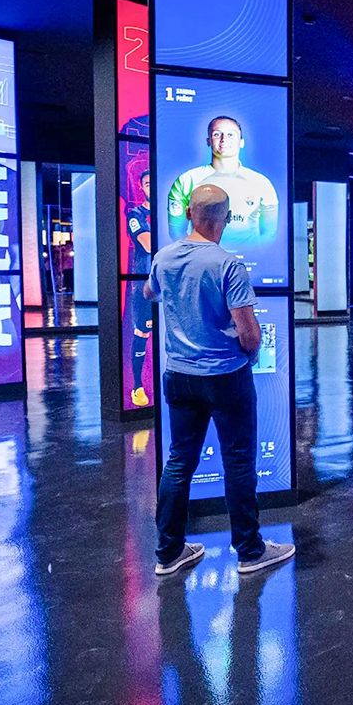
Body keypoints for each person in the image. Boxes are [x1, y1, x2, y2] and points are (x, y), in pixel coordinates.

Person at [146, 184, 294, 578]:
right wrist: (252, 349)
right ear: (225, 220)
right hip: (225, 377)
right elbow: (247, 332)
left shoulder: (164, 257)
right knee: (239, 463)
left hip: (179, 376)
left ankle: (168, 553)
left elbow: (150, 291)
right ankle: (249, 551)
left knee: (179, 462)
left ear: (191, 215)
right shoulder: (227, 263)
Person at [167, 116, 279, 247]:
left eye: (231, 134)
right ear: (208, 141)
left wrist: (252, 256)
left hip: (246, 264)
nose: (224, 139)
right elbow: (176, 231)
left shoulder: (262, 183)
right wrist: (196, 257)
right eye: (217, 134)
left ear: (241, 142)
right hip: (203, 264)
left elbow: (269, 233)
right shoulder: (187, 180)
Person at [127, 166, 156, 406]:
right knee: (143, 332)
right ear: (142, 187)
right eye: (148, 184)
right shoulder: (135, 214)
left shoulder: (172, 213)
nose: (152, 187)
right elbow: (147, 245)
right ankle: (137, 386)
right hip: (145, 284)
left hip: (171, 282)